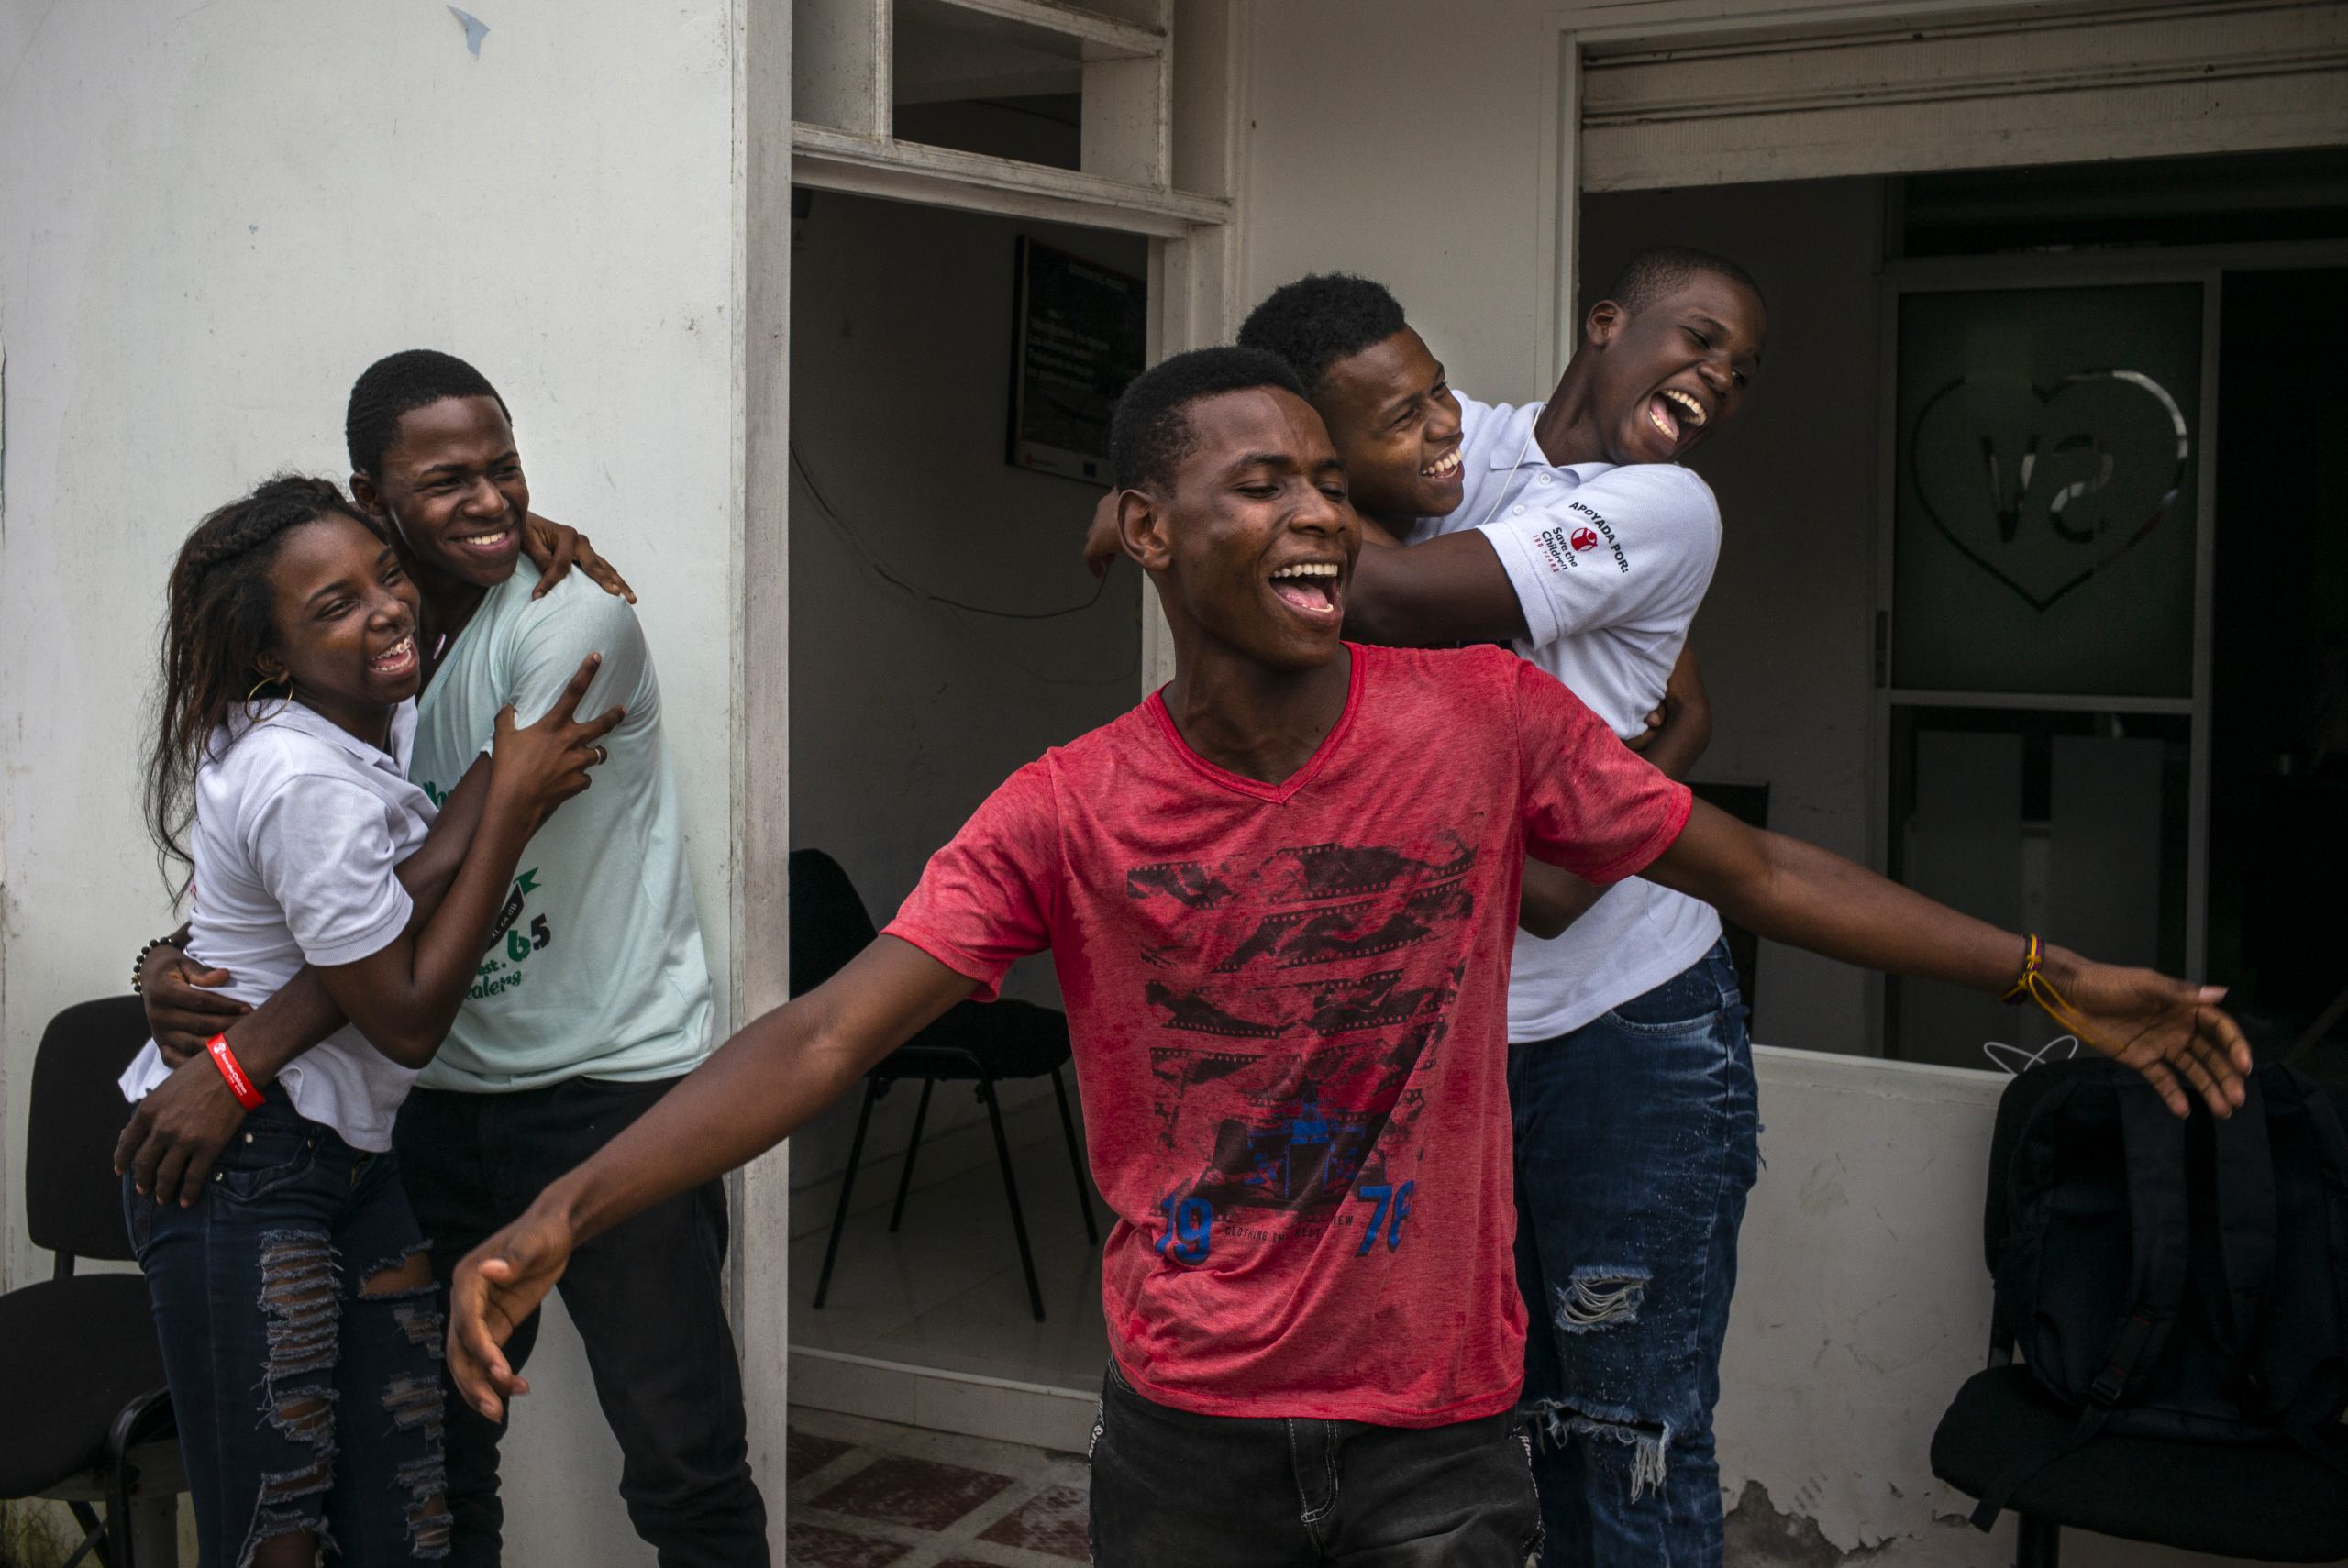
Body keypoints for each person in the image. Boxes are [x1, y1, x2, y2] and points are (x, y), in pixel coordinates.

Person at [442, 348, 2247, 1568]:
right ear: (1145, 533)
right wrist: (565, 1214)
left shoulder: (1478, 723)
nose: (1317, 513)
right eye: (1256, 485)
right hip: (1183, 1435)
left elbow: (1753, 869)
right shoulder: (1066, 810)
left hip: (1438, 1439)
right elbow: (831, 1036)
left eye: (1327, 480)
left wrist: (2039, 972)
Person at [125, 351, 770, 1567]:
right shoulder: (369, 655)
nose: (490, 501)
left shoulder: (571, 623)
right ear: (375, 495)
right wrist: (183, 960)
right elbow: (352, 887)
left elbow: (425, 878)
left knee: (683, 1457)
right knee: (436, 1465)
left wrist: (246, 1052)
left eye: (505, 470)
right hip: (427, 1111)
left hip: (608, 1089)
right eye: (445, 481)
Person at [1221, 259, 1764, 1565]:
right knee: (1498, 1426)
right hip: (1450, 1044)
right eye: (1699, 338)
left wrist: (1205, 520)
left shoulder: (1662, 503)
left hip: (1629, 1039)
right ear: (1607, 325)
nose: (1718, 378)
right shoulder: (1469, 451)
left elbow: (1400, 599)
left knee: (1633, 1436)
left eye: (1740, 370)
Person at [122, 474, 616, 1566]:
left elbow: (389, 881)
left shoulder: (345, 720)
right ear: (270, 652)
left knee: (407, 1514)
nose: (386, 609)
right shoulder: (308, 773)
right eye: (332, 606)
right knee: (276, 1535)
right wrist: (511, 803)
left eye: (387, 576)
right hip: (247, 1172)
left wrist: (511, 538)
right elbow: (399, 1015)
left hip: (349, 1165)